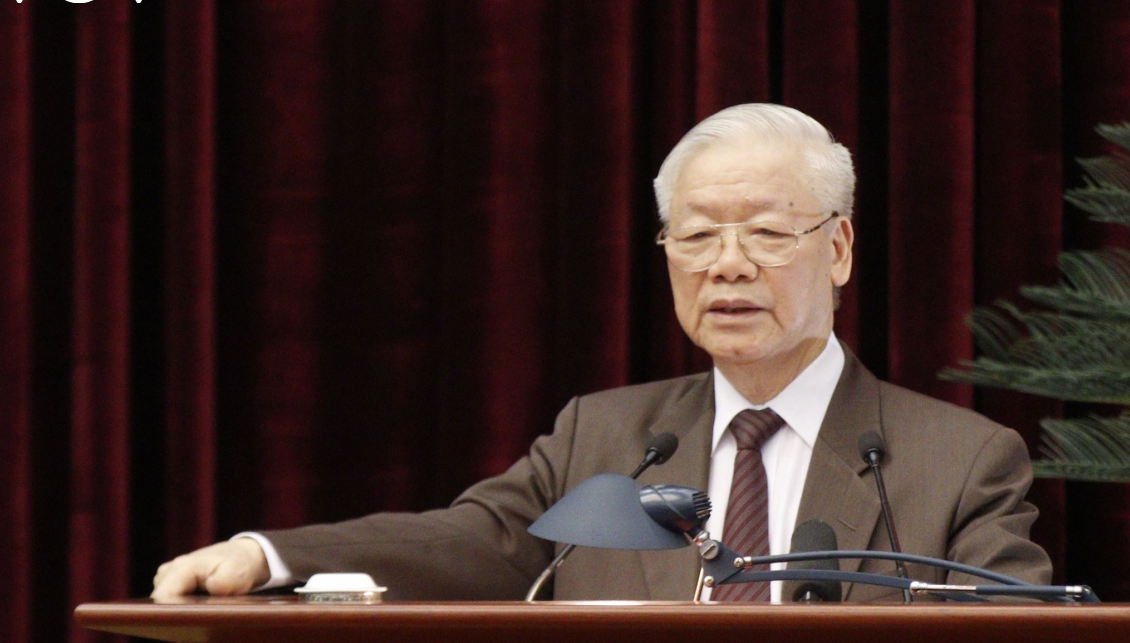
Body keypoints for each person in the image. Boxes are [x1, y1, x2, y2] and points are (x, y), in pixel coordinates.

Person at [152, 103, 1051, 603]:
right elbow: (467, 541)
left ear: (840, 249)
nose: (728, 265)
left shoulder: (958, 462)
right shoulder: (609, 440)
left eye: (768, 233)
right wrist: (270, 555)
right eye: (696, 237)